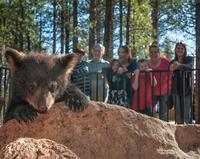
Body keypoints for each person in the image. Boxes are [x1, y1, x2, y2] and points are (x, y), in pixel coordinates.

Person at [169, 42, 194, 124]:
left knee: (187, 115)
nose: (180, 50)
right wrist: (172, 67)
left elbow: (190, 67)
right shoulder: (172, 61)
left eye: (182, 48)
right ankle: (181, 136)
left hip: (187, 90)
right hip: (175, 91)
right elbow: (169, 71)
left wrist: (178, 65)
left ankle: (190, 135)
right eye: (178, 48)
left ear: (185, 50)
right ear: (175, 50)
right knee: (178, 117)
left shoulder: (189, 59)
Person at [148, 44, 171, 121]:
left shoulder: (166, 62)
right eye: (151, 52)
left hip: (164, 91)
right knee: (149, 112)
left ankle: (164, 132)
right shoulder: (146, 64)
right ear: (149, 53)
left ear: (159, 53)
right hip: (151, 92)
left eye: (156, 52)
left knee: (163, 114)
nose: (153, 54)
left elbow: (171, 75)